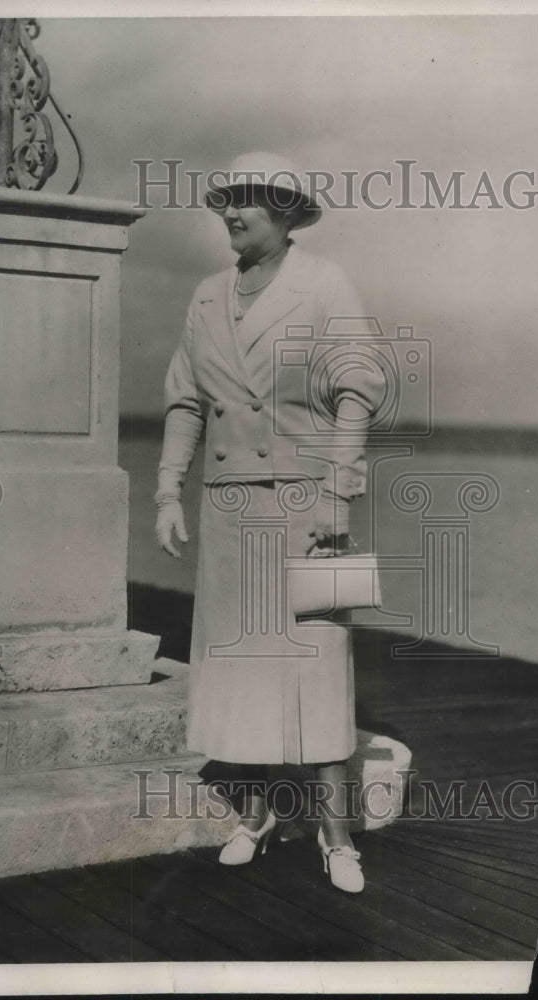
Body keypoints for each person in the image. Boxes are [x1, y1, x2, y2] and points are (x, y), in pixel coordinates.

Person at [155, 152, 384, 892]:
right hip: (228, 503)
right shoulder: (205, 296)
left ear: (285, 213)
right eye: (225, 201)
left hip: (306, 507)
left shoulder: (324, 284)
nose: (231, 213)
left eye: (247, 202)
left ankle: (336, 836)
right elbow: (187, 400)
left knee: (317, 662)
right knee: (240, 664)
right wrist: (166, 492)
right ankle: (252, 816)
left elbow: (358, 390)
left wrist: (336, 496)